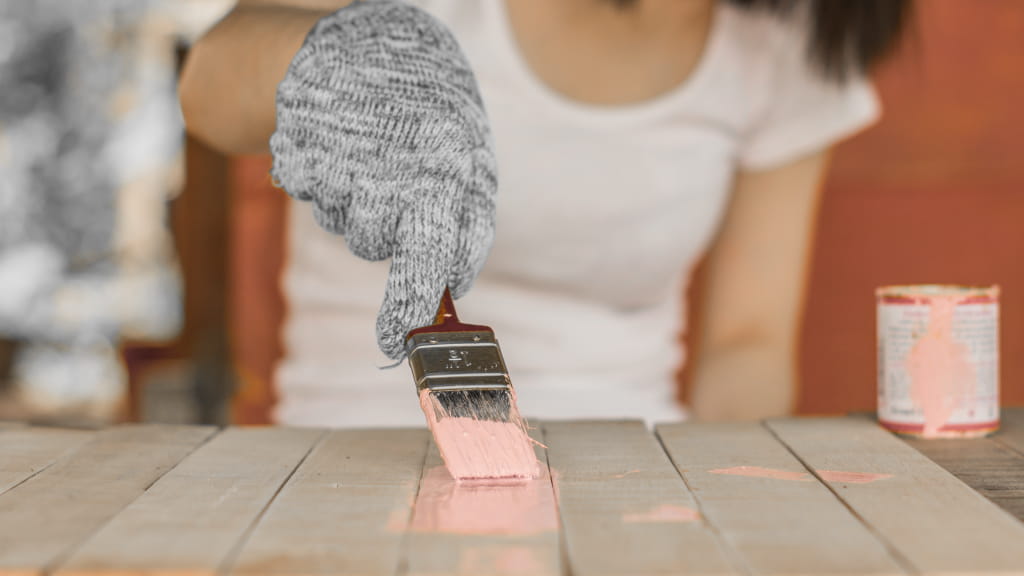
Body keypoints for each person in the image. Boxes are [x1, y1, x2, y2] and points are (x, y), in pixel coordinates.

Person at [179, 0, 911, 426]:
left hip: (632, 481)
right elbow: (208, 88)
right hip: (348, 458)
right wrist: (331, 66)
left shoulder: (790, 38)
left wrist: (716, 508)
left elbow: (747, 343)